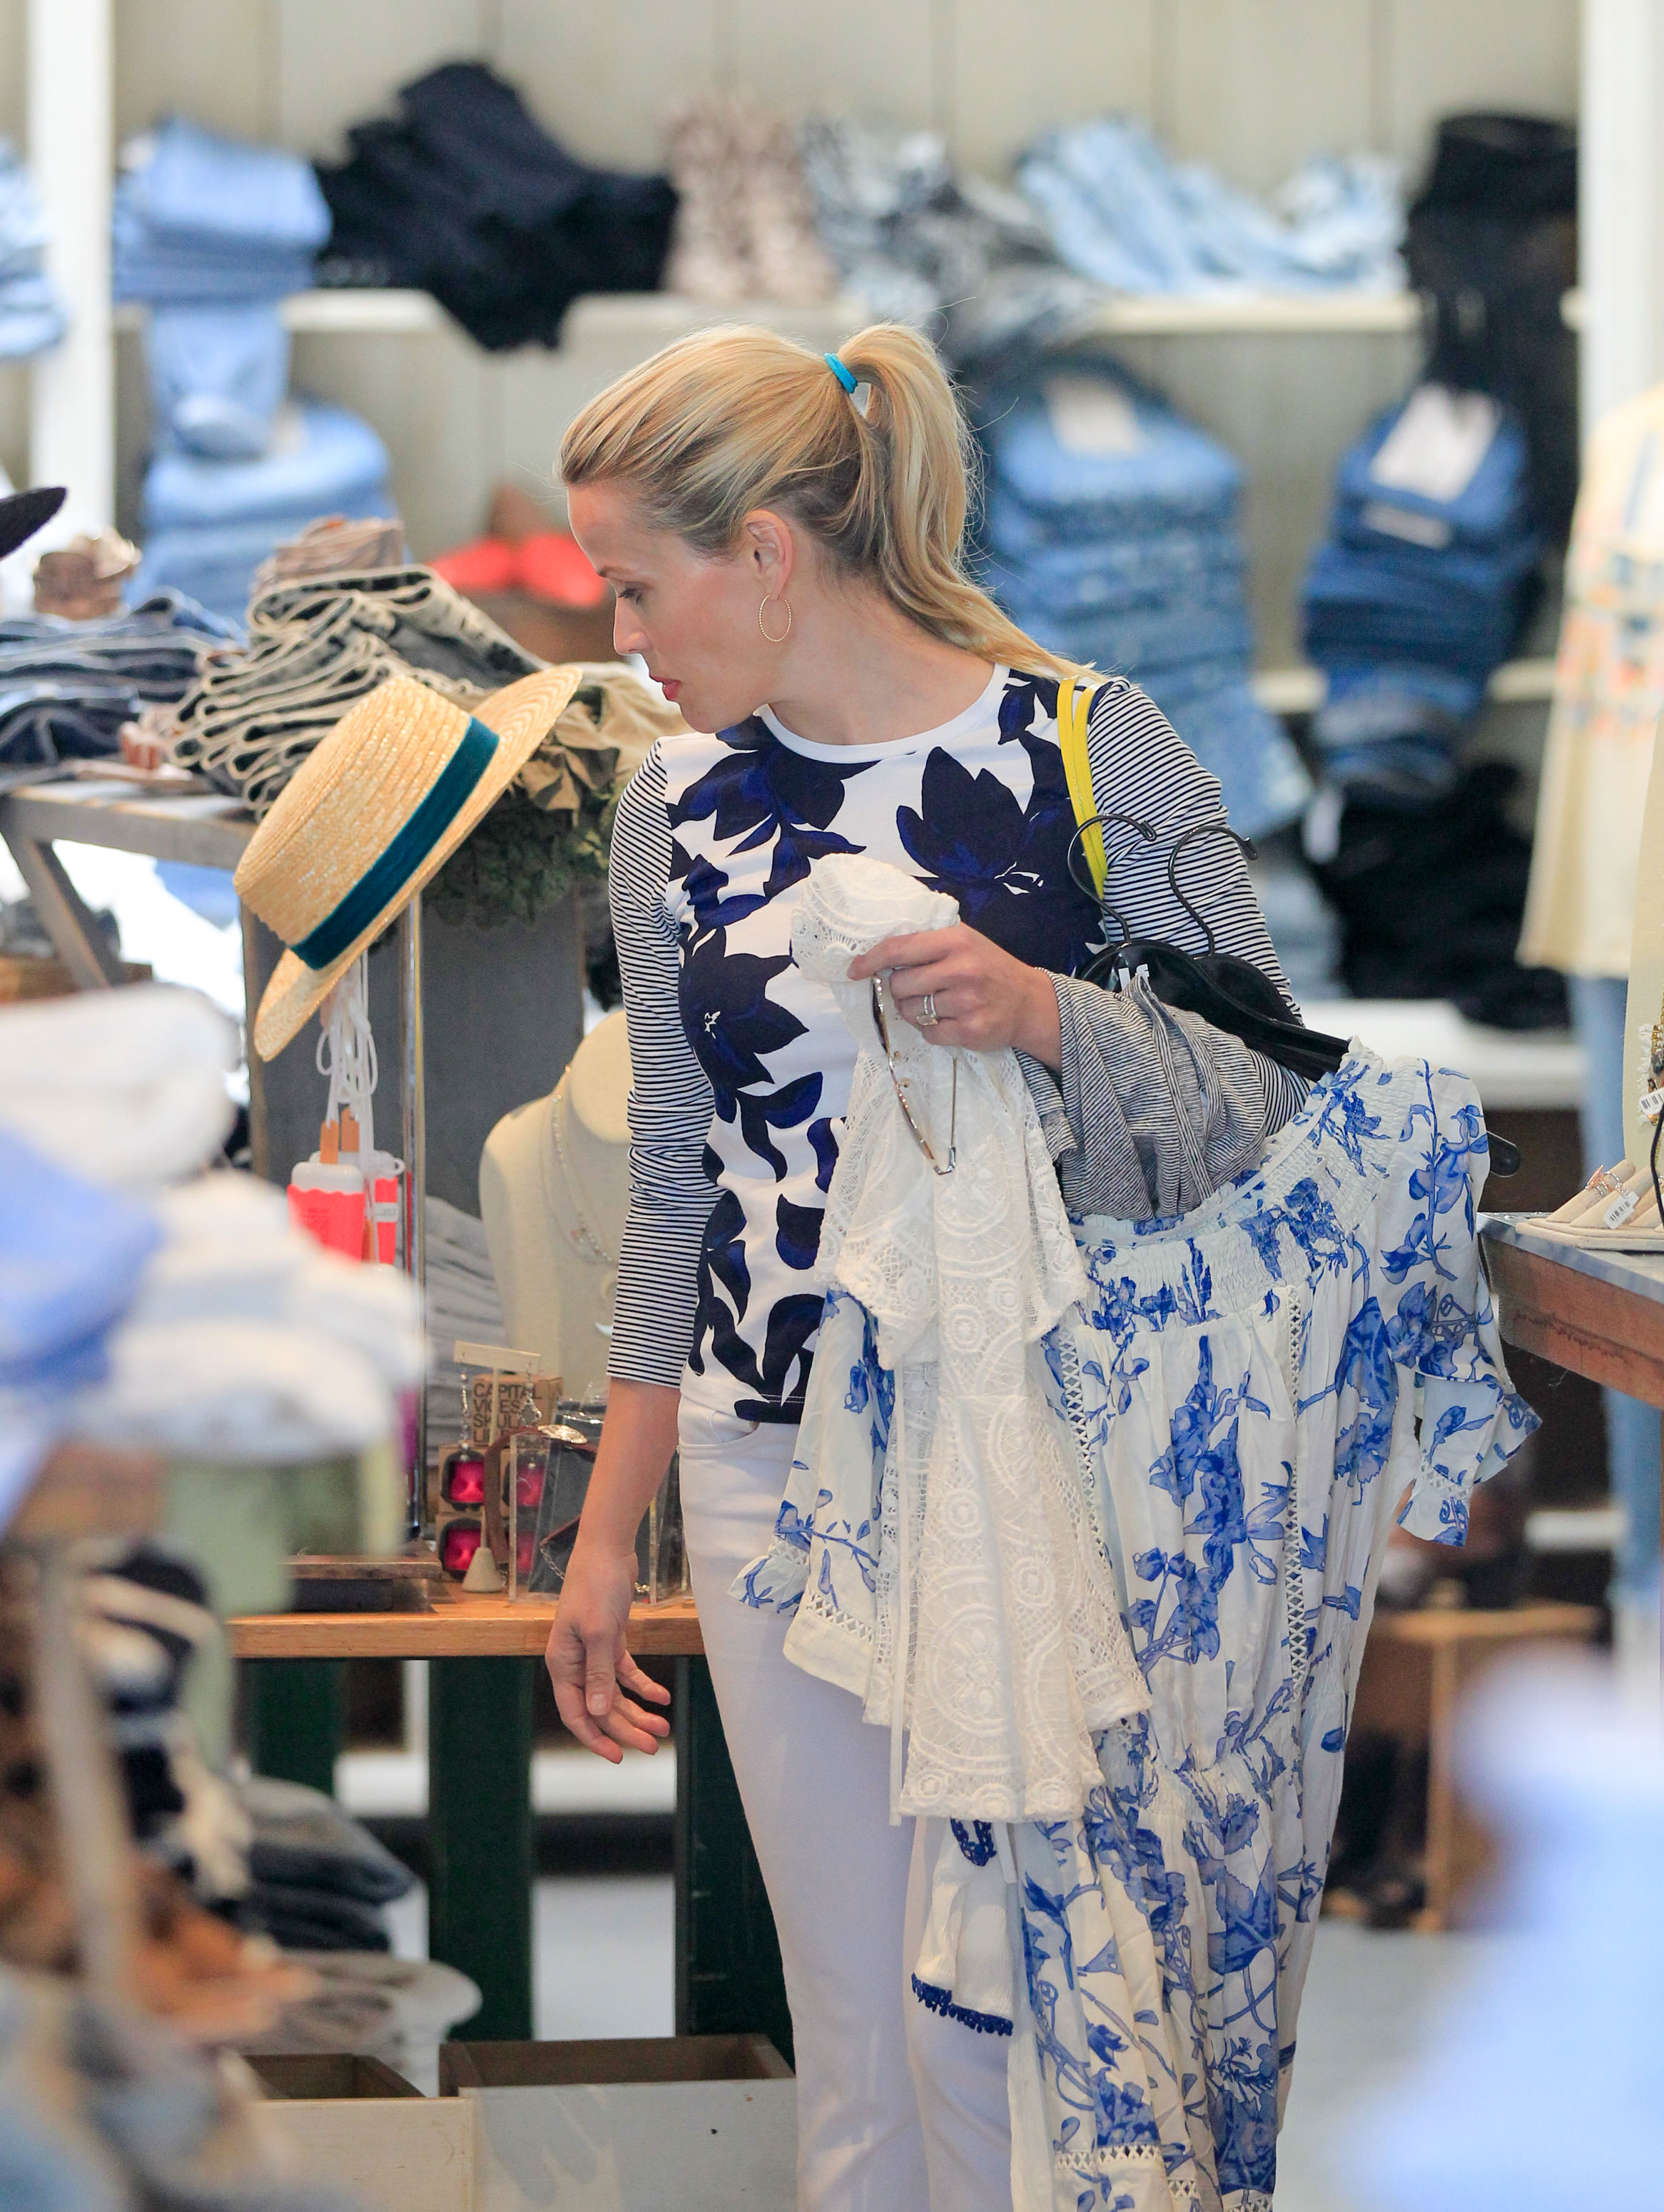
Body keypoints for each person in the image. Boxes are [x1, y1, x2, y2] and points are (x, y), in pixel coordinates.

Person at [545, 321, 1302, 2212]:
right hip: (763, 1460)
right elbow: (673, 1183)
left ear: (764, 553)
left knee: (1026, 2027)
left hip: (1052, 1453)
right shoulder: (673, 805)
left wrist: (1043, 1014)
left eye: (635, 584)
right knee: (859, 2039)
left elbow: (1273, 1099)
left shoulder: (1087, 743)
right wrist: (606, 1533)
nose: (622, 636)